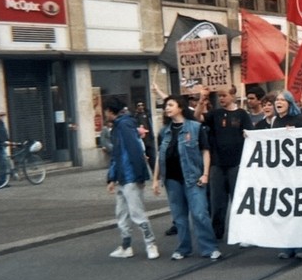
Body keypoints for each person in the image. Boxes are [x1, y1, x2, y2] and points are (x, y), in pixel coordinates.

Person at [152, 95, 220, 260]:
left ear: (180, 107)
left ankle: (209, 248)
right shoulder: (164, 131)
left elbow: (205, 152)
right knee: (179, 217)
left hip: (193, 178)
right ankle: (183, 248)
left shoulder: (196, 128)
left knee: (199, 213)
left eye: (170, 105)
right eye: (165, 106)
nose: (167, 108)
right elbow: (160, 156)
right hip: (171, 180)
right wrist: (155, 179)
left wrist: (205, 174)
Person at [194, 85, 254, 241]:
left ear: (233, 96)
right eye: (219, 96)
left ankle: (242, 233)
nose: (221, 98)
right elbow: (197, 117)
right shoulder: (215, 114)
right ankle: (217, 233)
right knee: (217, 202)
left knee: (238, 200)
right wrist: (202, 99)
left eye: (224, 95)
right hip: (217, 164)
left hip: (236, 164)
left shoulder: (242, 115)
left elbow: (251, 135)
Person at [104, 96, 159, 260]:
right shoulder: (122, 125)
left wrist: (136, 174)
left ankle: (150, 244)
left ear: (109, 111)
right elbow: (119, 154)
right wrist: (112, 178)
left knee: (136, 212)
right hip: (125, 175)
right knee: (122, 213)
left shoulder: (123, 126)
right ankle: (127, 245)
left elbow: (132, 151)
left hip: (129, 175)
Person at [270, 90, 302, 259]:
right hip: (282, 172)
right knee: (285, 209)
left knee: (299, 208)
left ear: (289, 103)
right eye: (277, 100)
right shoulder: (275, 122)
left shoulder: (300, 120)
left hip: (299, 171)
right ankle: (288, 245)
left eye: (282, 99)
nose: (278, 102)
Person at [133, 101, 156, 172]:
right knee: (142, 157)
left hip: (149, 138)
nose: (140, 107)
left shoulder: (147, 114)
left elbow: (150, 125)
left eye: (141, 105)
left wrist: (152, 136)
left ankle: (155, 171)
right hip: (141, 139)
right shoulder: (135, 116)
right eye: (139, 105)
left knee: (152, 156)